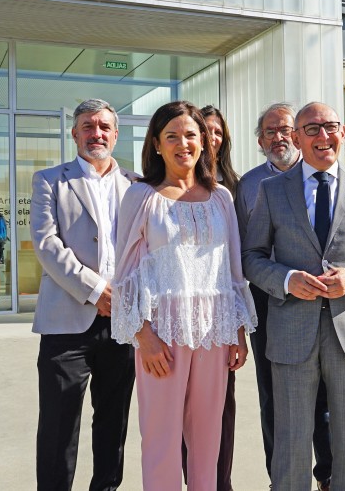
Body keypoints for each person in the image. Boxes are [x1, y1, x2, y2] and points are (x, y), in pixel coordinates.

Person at [242, 101, 345, 491]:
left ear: (343, 132)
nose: (322, 136)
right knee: (291, 443)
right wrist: (286, 279)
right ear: (296, 138)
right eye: (310, 129)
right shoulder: (271, 189)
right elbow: (251, 257)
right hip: (291, 332)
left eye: (330, 127)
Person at [110, 100, 255, 491]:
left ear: (205, 142)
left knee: (209, 443)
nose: (183, 143)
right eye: (171, 136)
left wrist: (239, 331)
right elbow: (123, 276)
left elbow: (232, 272)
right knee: (160, 442)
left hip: (215, 332)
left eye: (191, 135)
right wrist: (143, 336)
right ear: (156, 144)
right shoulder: (140, 196)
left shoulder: (222, 197)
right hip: (162, 335)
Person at [30, 98, 138, 491]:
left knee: (114, 422)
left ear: (115, 133)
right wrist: (96, 292)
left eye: (104, 126)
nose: (97, 133)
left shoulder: (137, 184)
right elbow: (46, 246)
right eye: (88, 126)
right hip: (66, 324)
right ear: (74, 133)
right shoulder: (49, 180)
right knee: (59, 426)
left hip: (124, 322)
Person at [234, 102, 333, 490]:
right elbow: (247, 251)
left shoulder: (325, 175)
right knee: (273, 394)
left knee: (324, 393)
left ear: (299, 133)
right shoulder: (250, 185)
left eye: (286, 129)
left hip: (321, 298)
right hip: (268, 299)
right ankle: (281, 476)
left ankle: (326, 472)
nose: (279, 138)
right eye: (270, 132)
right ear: (260, 140)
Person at [179, 104, 241, 491]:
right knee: (179, 408)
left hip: (222, 315)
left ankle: (220, 482)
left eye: (219, 132)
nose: (212, 137)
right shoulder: (169, 186)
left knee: (220, 408)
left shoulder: (235, 187)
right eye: (206, 130)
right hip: (179, 314)